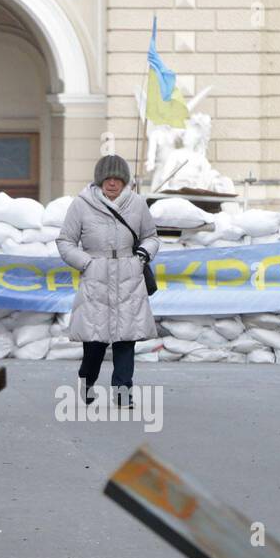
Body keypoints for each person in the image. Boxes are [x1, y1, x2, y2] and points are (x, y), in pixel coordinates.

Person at [56, 154, 159, 406]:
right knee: (95, 341)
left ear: (125, 181)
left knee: (126, 338)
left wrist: (143, 255)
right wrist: (86, 263)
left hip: (129, 275)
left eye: (118, 179)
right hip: (96, 276)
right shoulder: (81, 205)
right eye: (107, 179)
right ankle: (87, 380)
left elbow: (151, 236)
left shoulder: (137, 204)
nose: (112, 183)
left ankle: (123, 392)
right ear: (99, 180)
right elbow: (65, 241)